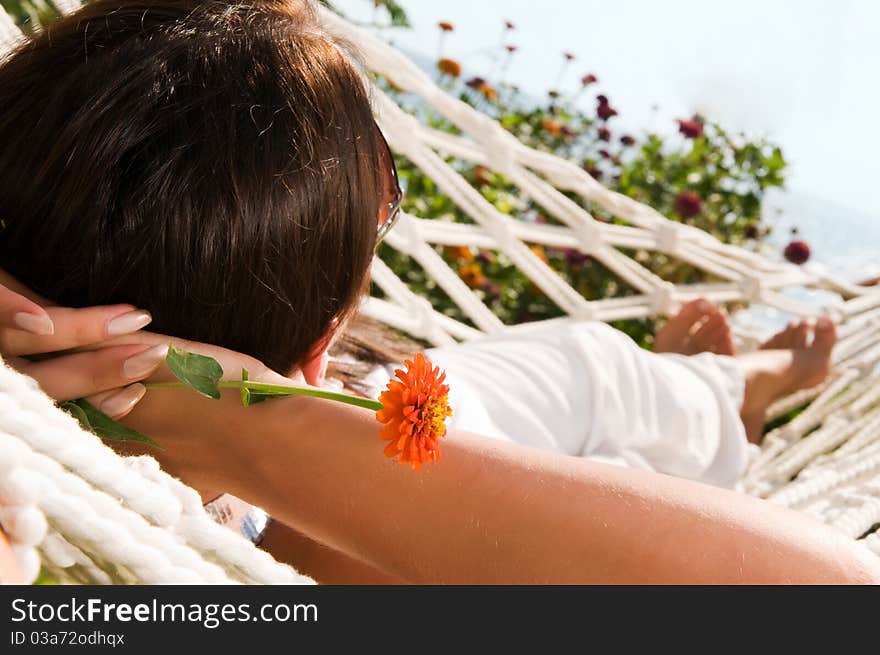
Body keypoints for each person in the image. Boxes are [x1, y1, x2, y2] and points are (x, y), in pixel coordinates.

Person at [0, 0, 877, 584]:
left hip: (370, 416)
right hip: (386, 452)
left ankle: (718, 390)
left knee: (599, 368)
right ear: (321, 336)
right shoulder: (307, 566)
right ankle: (737, 393)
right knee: (607, 410)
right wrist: (255, 426)